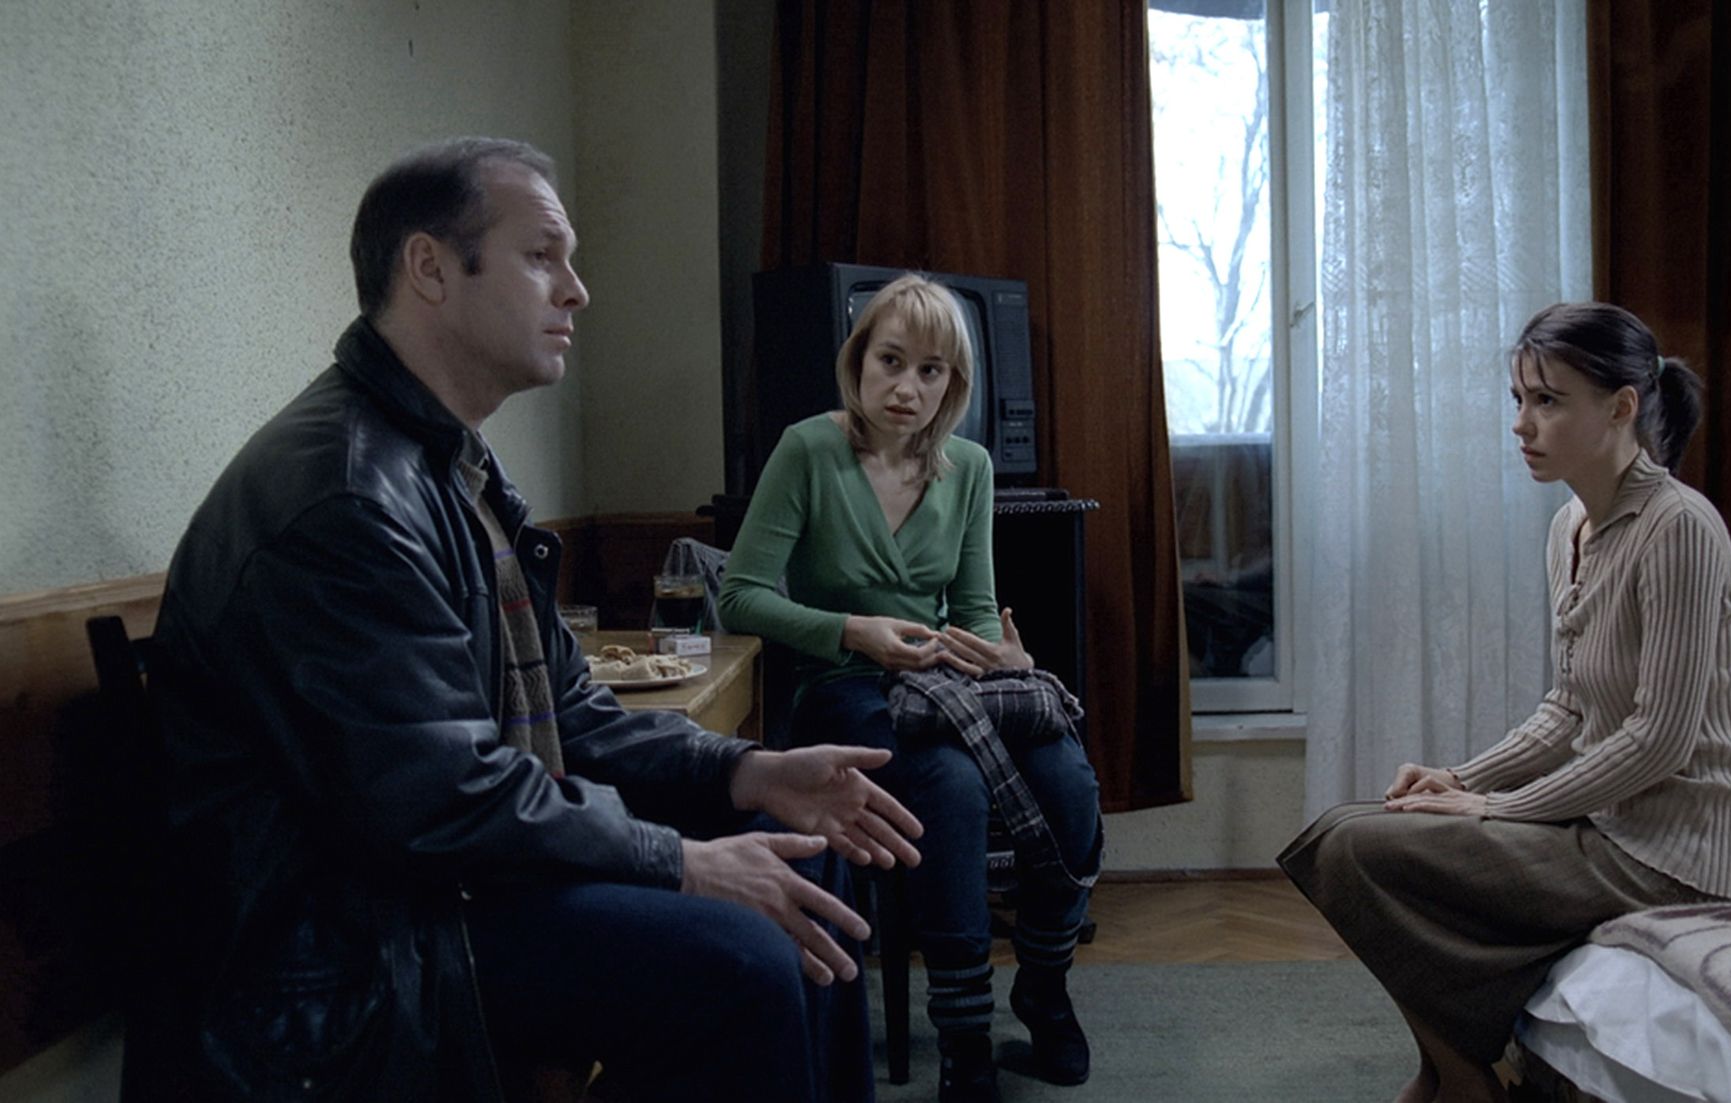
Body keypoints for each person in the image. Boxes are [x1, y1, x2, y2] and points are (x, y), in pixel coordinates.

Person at [134, 137, 923, 1103]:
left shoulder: (445, 462)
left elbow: (571, 713)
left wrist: (745, 770)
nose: (576, 291)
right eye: (542, 255)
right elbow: (440, 802)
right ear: (430, 268)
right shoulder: (344, 496)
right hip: (344, 952)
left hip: (429, 887)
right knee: (745, 958)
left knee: (806, 857)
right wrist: (680, 861)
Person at [1277, 301, 1731, 1103]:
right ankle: (1451, 1070)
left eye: (1547, 400)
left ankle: (1461, 1077)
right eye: (1518, 398)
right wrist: (1459, 776)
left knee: (1355, 851)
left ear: (1620, 407)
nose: (1521, 423)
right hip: (1609, 828)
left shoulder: (1678, 527)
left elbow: (1658, 740)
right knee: (1344, 828)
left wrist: (1496, 808)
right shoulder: (1570, 525)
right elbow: (1568, 707)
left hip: (1672, 857)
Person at [719, 274, 1104, 1103]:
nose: (906, 386)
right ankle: (965, 1034)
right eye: (890, 361)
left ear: (952, 384)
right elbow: (739, 596)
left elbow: (971, 605)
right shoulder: (807, 450)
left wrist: (999, 653)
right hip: (842, 686)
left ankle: (1044, 986)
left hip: (944, 681)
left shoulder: (968, 465)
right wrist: (852, 630)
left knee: (1068, 776)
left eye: (930, 371)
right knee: (950, 785)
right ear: (857, 360)